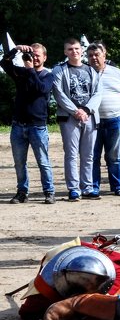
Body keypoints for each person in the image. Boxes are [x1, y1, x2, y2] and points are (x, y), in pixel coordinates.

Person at [1, 42, 56, 203]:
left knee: (43, 162)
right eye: (33, 55)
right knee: (19, 163)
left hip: (37, 126)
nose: (35, 58)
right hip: (18, 125)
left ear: (44, 57)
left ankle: (49, 191)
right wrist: (16, 50)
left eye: (38, 55)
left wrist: (30, 69)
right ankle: (22, 192)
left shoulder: (48, 75)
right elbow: (4, 63)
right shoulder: (21, 72)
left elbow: (40, 89)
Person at [52, 37, 101, 201]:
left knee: (88, 155)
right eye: (70, 49)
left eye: (77, 49)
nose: (74, 52)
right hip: (69, 118)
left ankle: (88, 187)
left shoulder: (91, 70)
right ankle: (74, 189)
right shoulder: (59, 70)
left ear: (82, 51)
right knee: (71, 154)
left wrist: (86, 109)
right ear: (66, 52)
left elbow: (97, 94)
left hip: (89, 116)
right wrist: (75, 111)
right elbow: (59, 94)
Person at [86, 41, 120, 197]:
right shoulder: (84, 72)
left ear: (104, 55)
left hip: (114, 120)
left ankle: (117, 186)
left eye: (97, 54)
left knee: (114, 156)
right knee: (93, 156)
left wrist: (112, 104)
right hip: (92, 122)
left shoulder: (117, 73)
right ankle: (94, 187)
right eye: (90, 55)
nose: (93, 58)